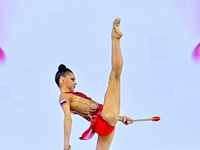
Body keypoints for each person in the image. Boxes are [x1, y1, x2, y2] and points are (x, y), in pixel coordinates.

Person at [55, 18, 133, 150]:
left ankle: (115, 38)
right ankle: (115, 39)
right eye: (72, 79)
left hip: (104, 125)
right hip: (104, 120)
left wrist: (121, 118)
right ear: (62, 80)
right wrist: (66, 143)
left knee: (116, 75)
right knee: (115, 75)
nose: (75, 82)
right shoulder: (64, 97)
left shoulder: (73, 96)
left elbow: (97, 109)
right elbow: (68, 119)